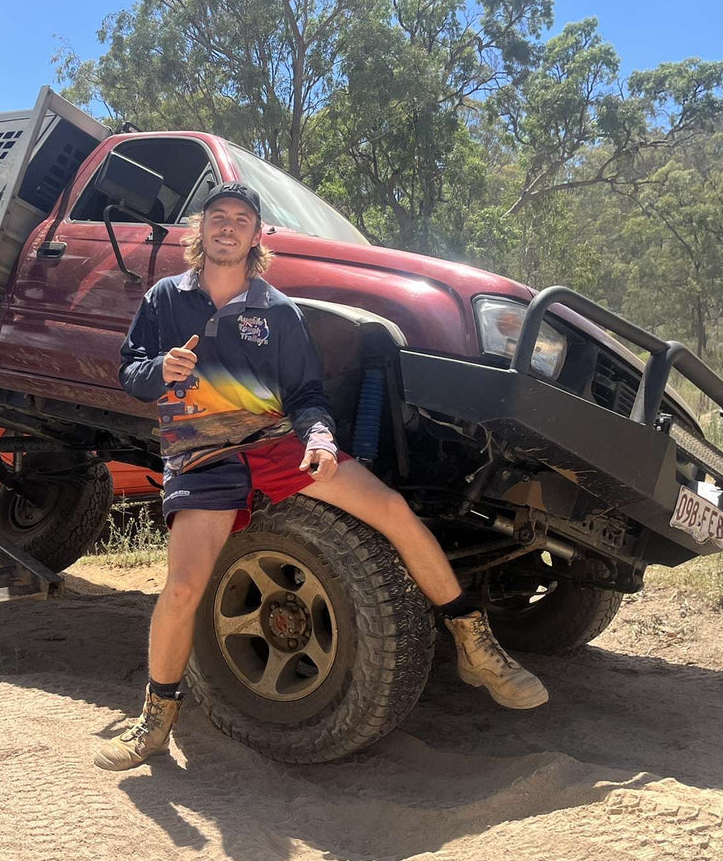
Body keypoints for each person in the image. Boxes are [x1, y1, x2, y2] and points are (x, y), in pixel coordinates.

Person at [94, 181, 547, 772]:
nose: (227, 228)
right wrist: (159, 369)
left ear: (257, 237)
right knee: (182, 589)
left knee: (392, 509)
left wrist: (320, 435)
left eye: (240, 220)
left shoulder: (278, 311)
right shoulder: (164, 299)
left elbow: (307, 393)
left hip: (275, 445)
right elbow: (130, 373)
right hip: (202, 456)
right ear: (200, 231)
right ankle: (155, 720)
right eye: (217, 218)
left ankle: (473, 644)